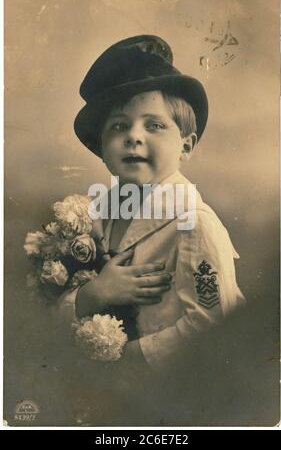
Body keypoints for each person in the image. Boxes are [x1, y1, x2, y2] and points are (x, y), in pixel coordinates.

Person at [58, 35, 245, 372]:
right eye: (118, 126)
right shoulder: (98, 215)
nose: (134, 136)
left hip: (172, 389)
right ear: (102, 148)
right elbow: (51, 307)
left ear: (186, 147)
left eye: (154, 125)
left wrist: (132, 360)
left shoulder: (192, 222)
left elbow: (215, 320)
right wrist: (93, 294)